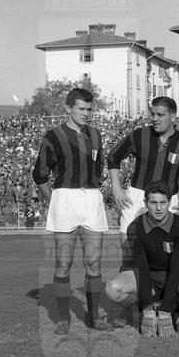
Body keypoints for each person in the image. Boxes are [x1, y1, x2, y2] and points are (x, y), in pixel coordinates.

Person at [32, 88, 111, 334]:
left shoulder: (95, 134)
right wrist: (55, 200)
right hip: (65, 198)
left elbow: (98, 168)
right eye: (81, 109)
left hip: (92, 199)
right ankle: (64, 319)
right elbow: (40, 174)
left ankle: (94, 317)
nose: (86, 113)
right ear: (68, 108)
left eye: (89, 109)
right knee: (63, 263)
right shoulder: (53, 136)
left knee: (94, 262)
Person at [104, 181, 179, 336]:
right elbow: (142, 269)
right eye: (153, 203)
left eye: (163, 203)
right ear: (145, 203)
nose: (158, 208)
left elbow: (177, 268)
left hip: (176, 274)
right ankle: (139, 307)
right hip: (149, 275)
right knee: (112, 288)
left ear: (169, 203)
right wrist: (148, 310)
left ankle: (177, 312)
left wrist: (165, 311)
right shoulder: (135, 228)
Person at [107, 96, 179, 241]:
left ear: (173, 117)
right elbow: (113, 157)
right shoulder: (139, 135)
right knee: (129, 247)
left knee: (164, 249)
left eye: (160, 115)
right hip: (137, 197)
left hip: (168, 200)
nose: (155, 119)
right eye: (153, 114)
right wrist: (116, 189)